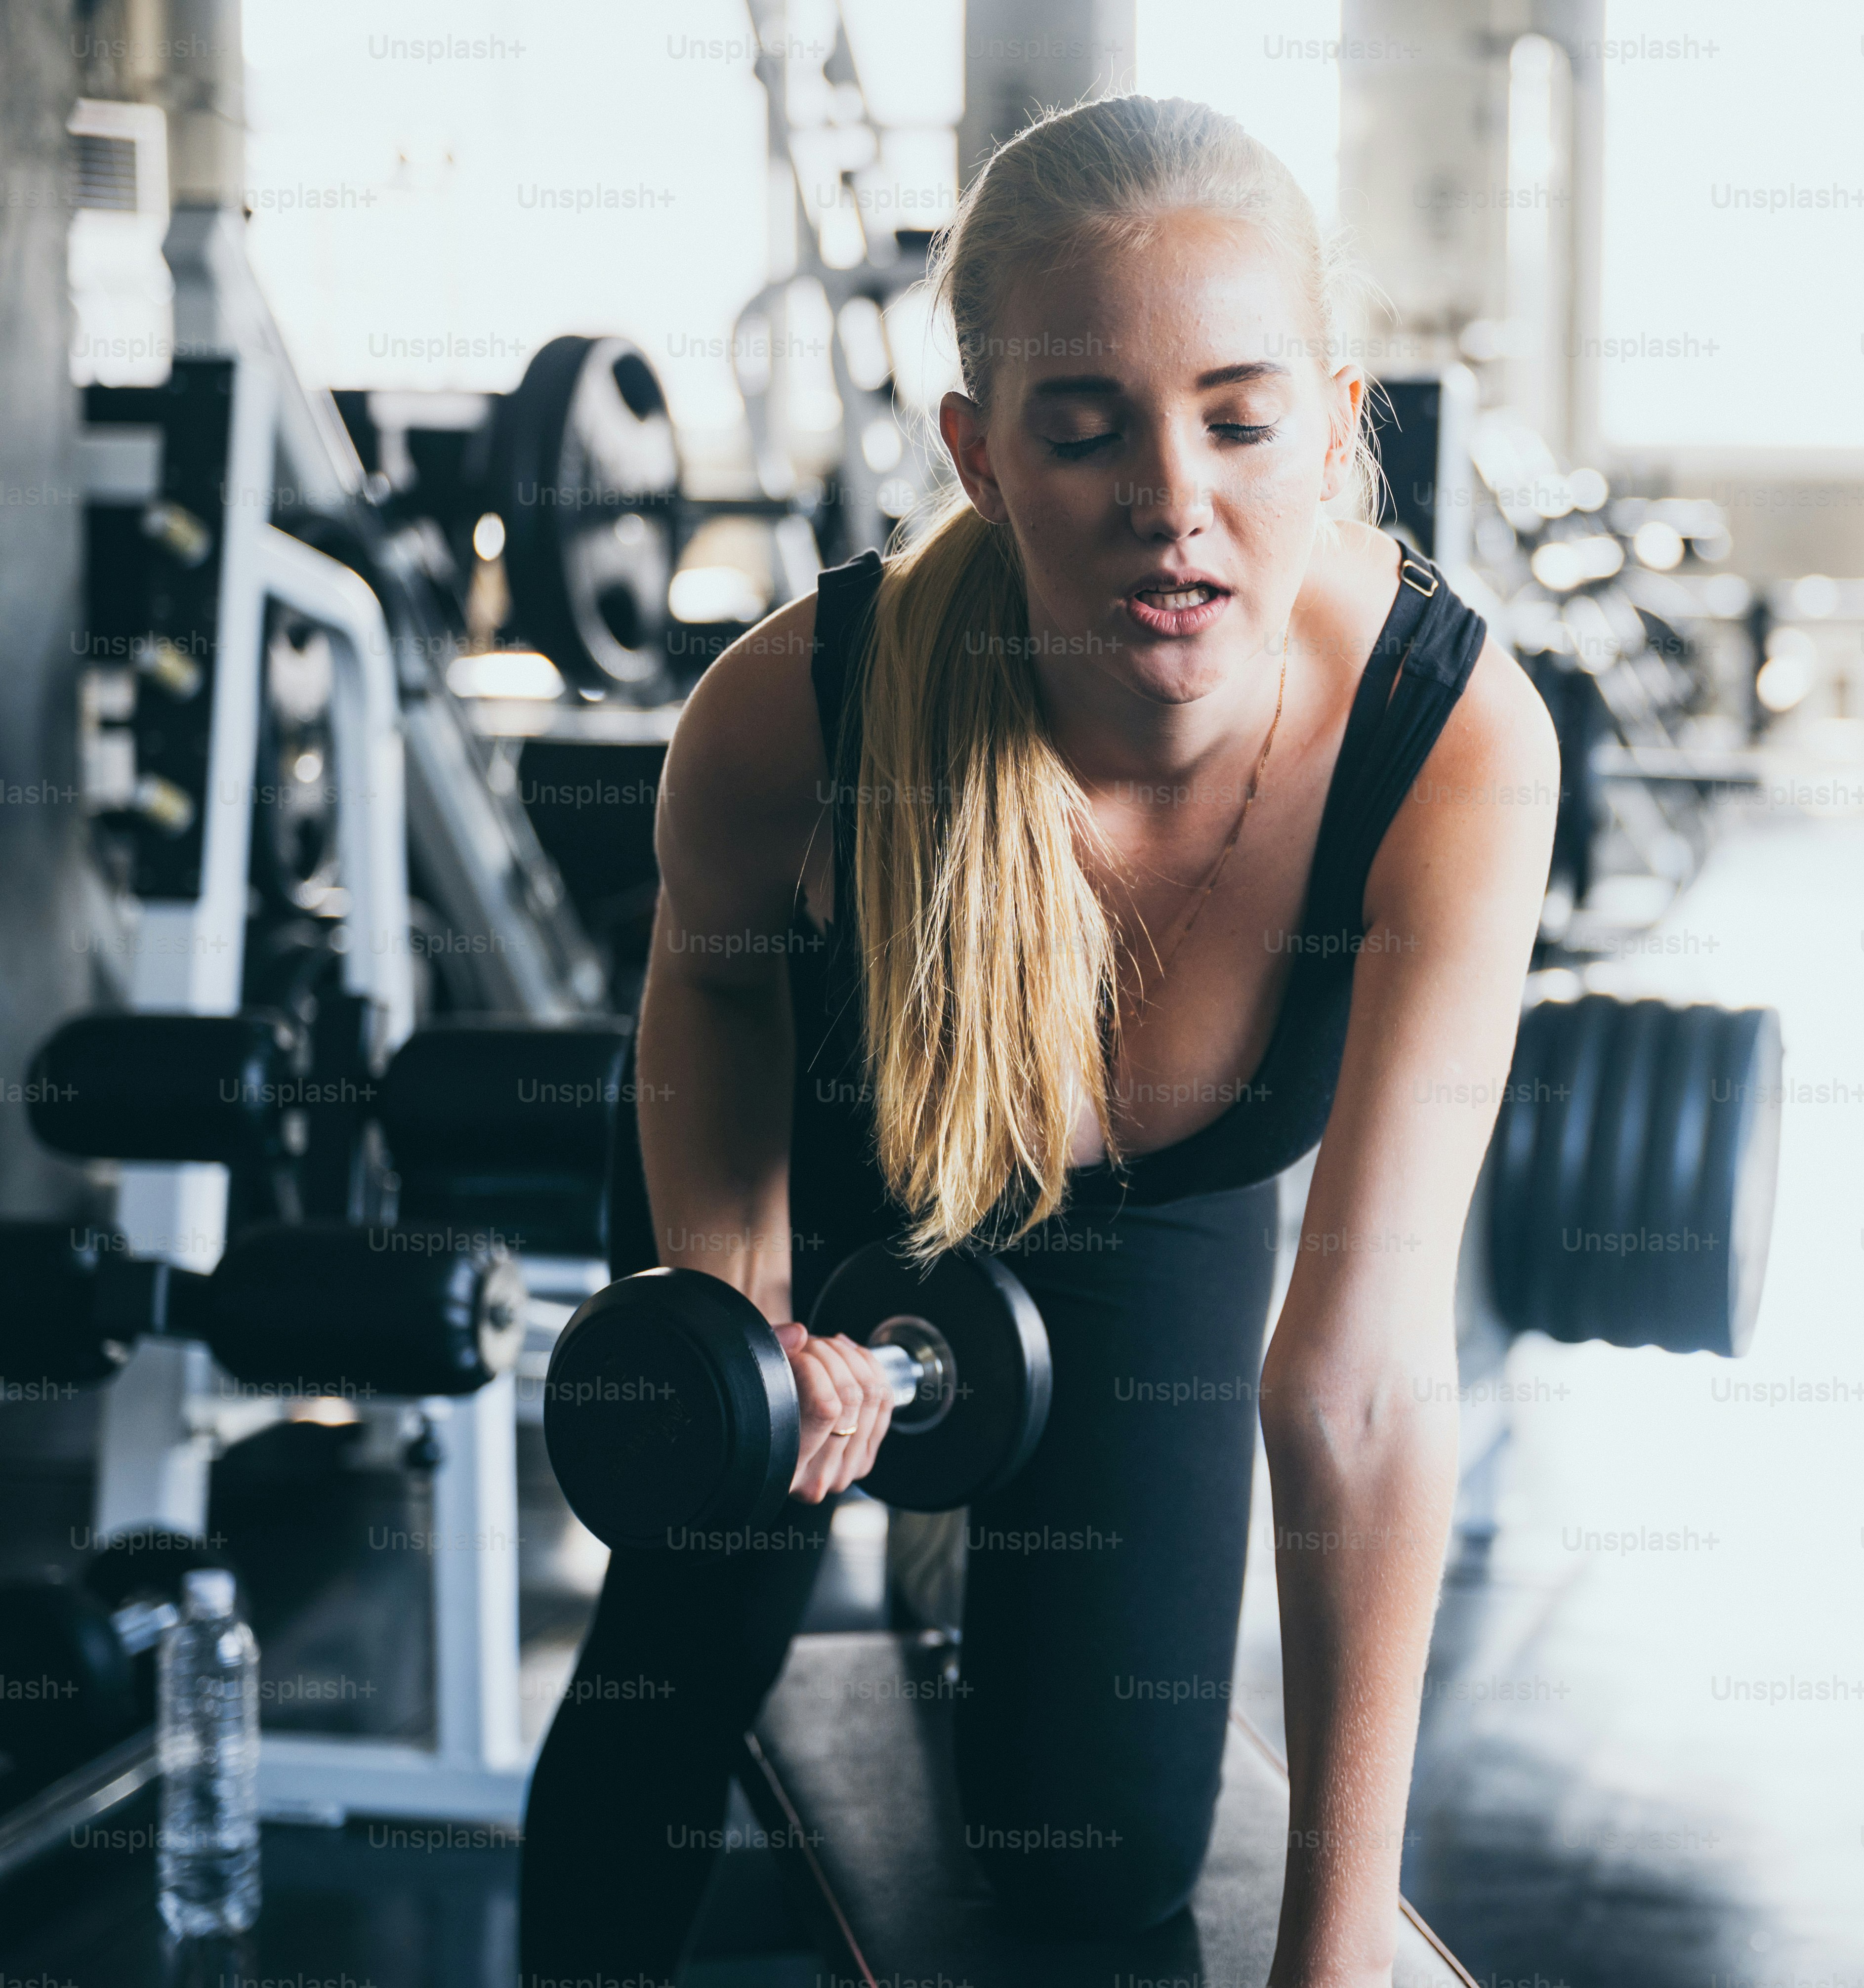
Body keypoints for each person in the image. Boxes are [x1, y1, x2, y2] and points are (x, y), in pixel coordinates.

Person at [518, 93, 1555, 1987]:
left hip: (1155, 1219)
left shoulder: (1450, 752)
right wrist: (737, 1308)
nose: (1175, 497)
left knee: (1098, 1851)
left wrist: (1334, 1958)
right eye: (1089, 432)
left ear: (1336, 426)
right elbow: (717, 977)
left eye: (1242, 423)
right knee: (692, 1634)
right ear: (982, 459)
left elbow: (1363, 1386)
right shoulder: (788, 716)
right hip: (840, 1135)